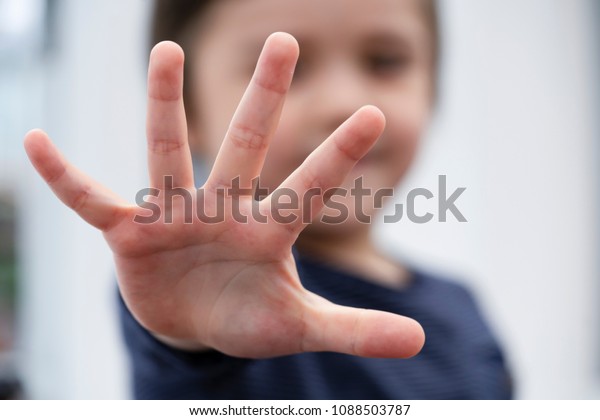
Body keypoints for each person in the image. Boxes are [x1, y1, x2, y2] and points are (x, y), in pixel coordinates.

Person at [24, 0, 512, 399]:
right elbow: (187, 367)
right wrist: (190, 339)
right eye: (289, 71)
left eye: (385, 60)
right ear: (191, 110)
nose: (343, 102)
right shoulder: (200, 283)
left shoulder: (463, 309)